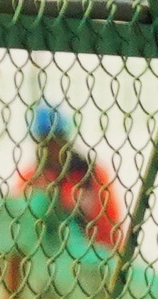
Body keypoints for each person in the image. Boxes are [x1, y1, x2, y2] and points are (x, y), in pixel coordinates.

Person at [18, 102, 124, 253]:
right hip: (47, 253)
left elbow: (111, 223)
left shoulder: (92, 174)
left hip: (94, 251)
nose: (52, 147)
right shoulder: (30, 178)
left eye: (57, 139)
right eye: (45, 141)